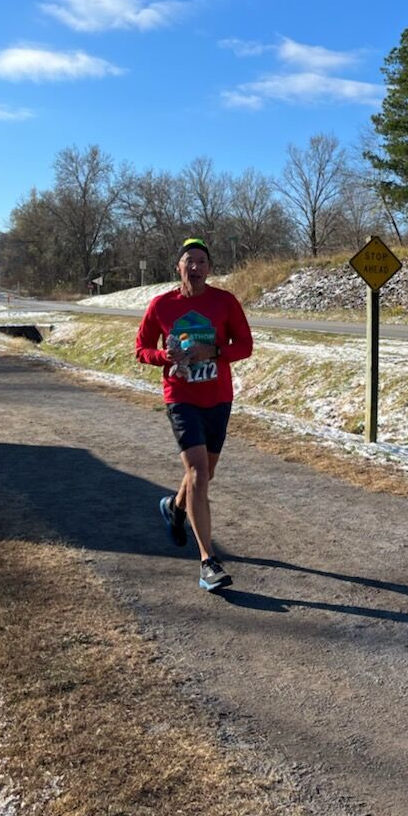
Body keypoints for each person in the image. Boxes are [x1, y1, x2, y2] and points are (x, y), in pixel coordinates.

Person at [136, 237, 253, 592]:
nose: (196, 267)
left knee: (206, 473)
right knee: (198, 472)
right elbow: (141, 349)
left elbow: (245, 346)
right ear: (179, 267)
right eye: (189, 261)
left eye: (202, 261)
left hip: (218, 398)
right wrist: (165, 358)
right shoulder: (161, 305)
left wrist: (213, 349)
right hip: (181, 397)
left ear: (209, 268)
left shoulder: (224, 302)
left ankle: (174, 506)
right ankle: (208, 561)